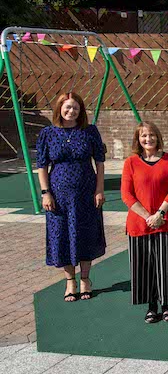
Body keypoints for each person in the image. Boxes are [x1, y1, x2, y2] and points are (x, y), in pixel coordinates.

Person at [35, 92, 107, 302]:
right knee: (62, 235)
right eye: (67, 107)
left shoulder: (89, 131)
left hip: (86, 192)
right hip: (58, 195)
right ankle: (70, 281)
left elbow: (99, 162)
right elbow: (42, 165)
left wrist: (99, 189)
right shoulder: (48, 133)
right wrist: (45, 193)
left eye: (75, 108)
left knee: (85, 233)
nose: (71, 111)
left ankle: (85, 279)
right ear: (59, 109)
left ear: (80, 111)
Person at [121, 121, 168, 324]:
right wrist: (148, 216)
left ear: (158, 137)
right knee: (144, 267)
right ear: (138, 139)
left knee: (165, 265)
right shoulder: (131, 162)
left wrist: (159, 214)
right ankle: (151, 306)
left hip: (166, 221)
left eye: (152, 135)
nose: (148, 139)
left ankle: (166, 305)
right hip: (138, 224)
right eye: (144, 136)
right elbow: (126, 195)